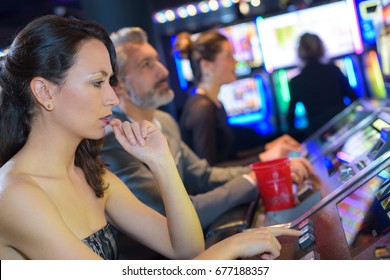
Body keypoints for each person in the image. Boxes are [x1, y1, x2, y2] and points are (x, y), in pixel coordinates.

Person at [0, 15, 300, 260]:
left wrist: (161, 162)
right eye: (96, 83)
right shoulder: (14, 194)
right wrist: (229, 248)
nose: (112, 99)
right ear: (44, 92)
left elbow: (185, 249)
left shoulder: (91, 175)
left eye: (110, 82)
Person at [102, 26, 314, 232]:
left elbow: (203, 175)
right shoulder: (115, 142)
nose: (164, 71)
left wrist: (266, 169)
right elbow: (174, 217)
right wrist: (253, 179)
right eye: (146, 64)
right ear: (117, 83)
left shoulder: (164, 121)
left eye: (157, 60)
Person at [175, 31, 303, 166]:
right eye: (229, 56)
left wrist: (268, 148)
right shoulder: (202, 108)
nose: (236, 61)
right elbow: (207, 174)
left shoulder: (214, 103)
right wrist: (264, 157)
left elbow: (227, 158)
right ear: (206, 65)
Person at [287, 32, 358, 138]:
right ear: (321, 48)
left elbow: (290, 118)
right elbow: (355, 100)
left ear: (299, 52)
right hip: (342, 128)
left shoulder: (296, 81)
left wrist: (299, 141)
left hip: (317, 134)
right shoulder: (334, 71)